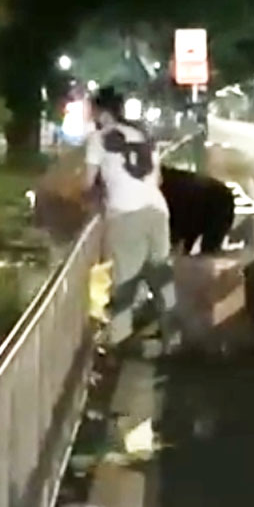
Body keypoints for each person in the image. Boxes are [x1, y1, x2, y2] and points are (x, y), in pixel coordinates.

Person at [84, 87, 178, 356]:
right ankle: (173, 337)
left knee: (124, 278)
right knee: (161, 275)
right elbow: (158, 180)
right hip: (158, 209)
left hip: (126, 212)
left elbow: (87, 183)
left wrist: (95, 195)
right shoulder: (142, 136)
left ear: (101, 112)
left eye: (92, 110)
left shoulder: (98, 139)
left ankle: (119, 341)